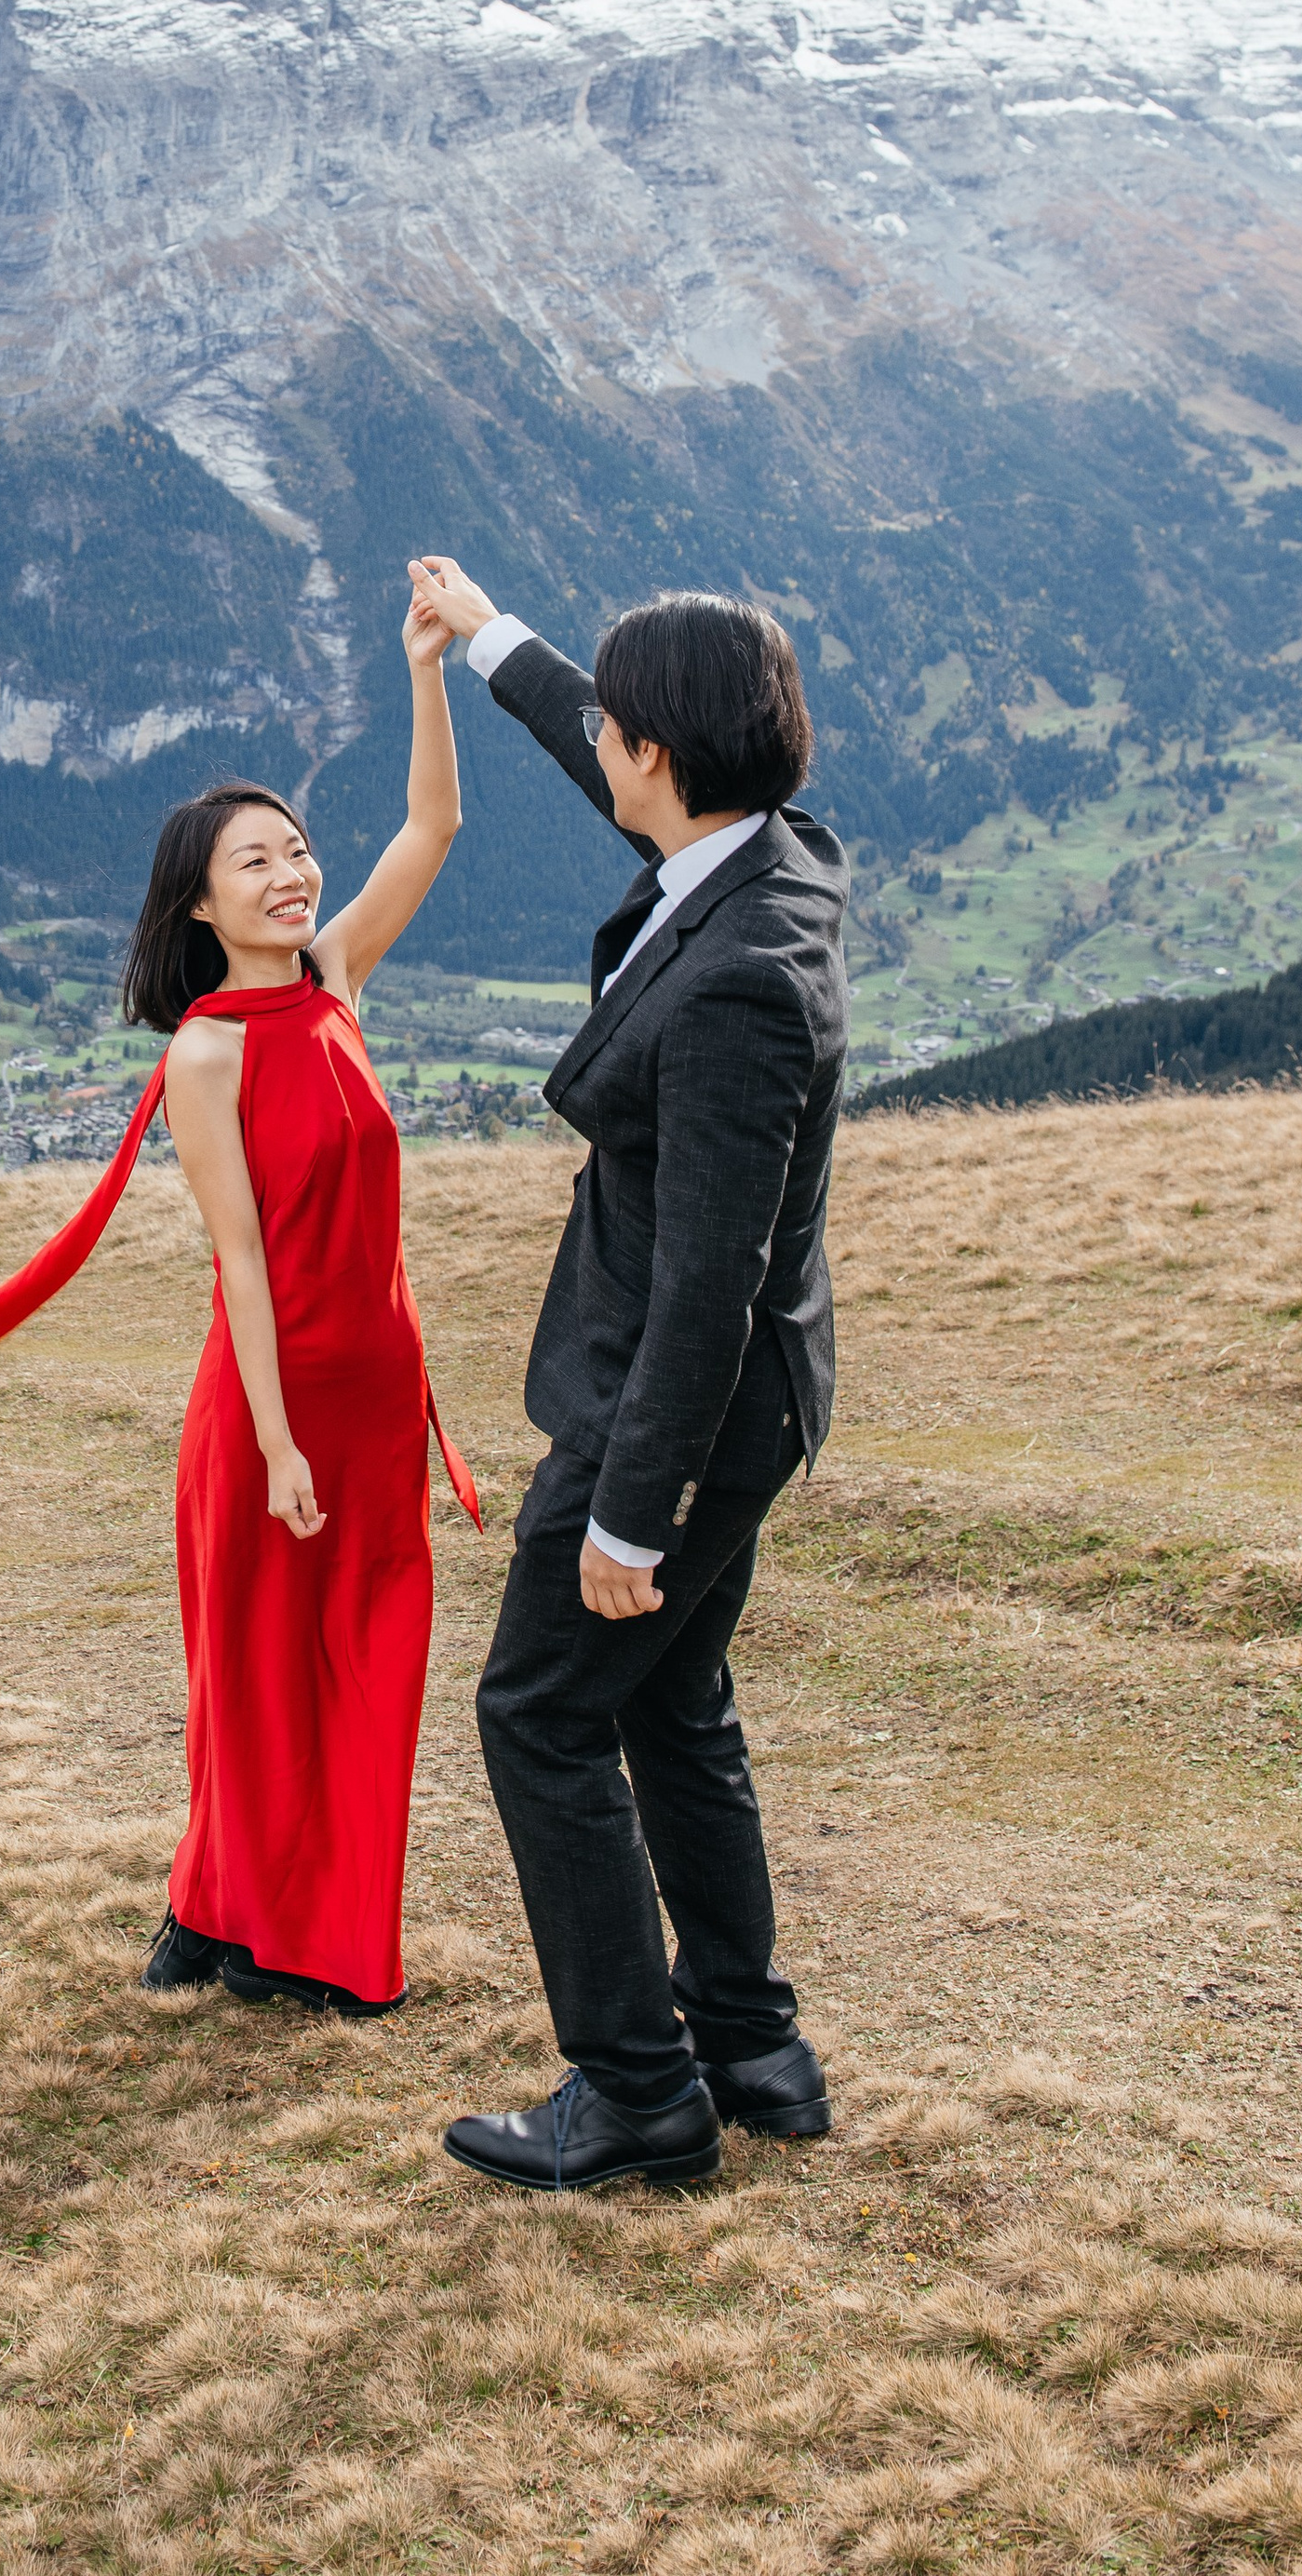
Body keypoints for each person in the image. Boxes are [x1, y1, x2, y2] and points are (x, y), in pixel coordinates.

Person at [0, 585, 477, 2021]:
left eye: (296, 853)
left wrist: (427, 673)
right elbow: (241, 1264)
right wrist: (277, 1445)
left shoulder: (337, 980)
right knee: (261, 1680)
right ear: (201, 904)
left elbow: (433, 832)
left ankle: (281, 1926)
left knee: (368, 1662)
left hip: (374, 1396)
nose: (290, 878)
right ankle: (247, 1921)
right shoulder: (208, 1056)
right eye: (255, 864)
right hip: (273, 1409)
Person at [404, 559, 847, 2192]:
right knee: (672, 1700)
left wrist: (629, 1522)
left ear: (659, 756)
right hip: (745, 1405)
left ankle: (637, 2087)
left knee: (537, 1710)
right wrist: (480, 624)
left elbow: (707, 1289)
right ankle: (749, 2039)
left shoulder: (733, 978)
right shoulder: (760, 856)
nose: (597, 740)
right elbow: (588, 720)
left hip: (677, 1414)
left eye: (615, 724)